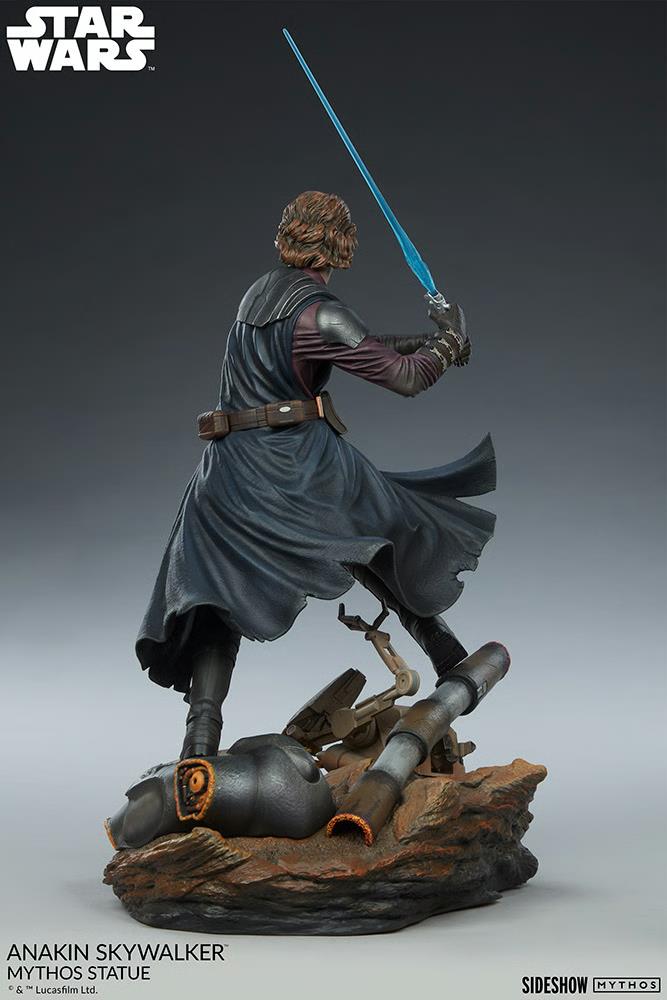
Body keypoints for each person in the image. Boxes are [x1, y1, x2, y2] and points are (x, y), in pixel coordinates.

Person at [136, 191, 496, 760]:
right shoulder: (322, 311)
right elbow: (403, 378)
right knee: (380, 530)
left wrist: (429, 344)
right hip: (293, 465)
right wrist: (449, 341)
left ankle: (199, 742)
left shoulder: (260, 293)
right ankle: (446, 652)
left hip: (227, 470)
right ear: (341, 243)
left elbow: (362, 349)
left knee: (214, 594)